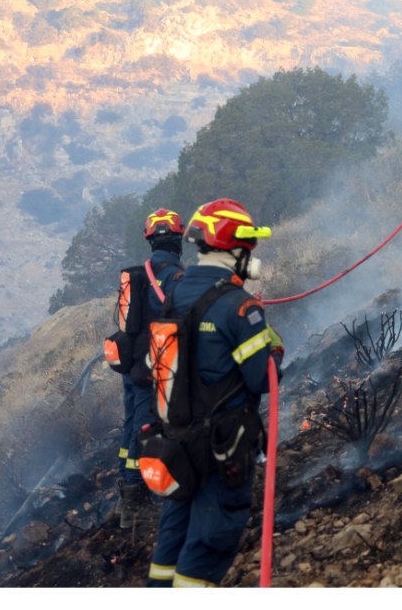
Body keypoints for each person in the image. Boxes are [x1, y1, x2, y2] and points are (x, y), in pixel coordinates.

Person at [146, 198, 284, 588]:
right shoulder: (241, 308)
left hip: (176, 443)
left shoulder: (174, 296)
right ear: (233, 248)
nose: (250, 257)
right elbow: (263, 377)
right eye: (248, 249)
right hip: (224, 449)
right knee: (210, 541)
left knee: (172, 536)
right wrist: (273, 347)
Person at [116, 208, 186, 529]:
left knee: (131, 425)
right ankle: (134, 504)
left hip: (132, 364)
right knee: (144, 431)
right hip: (151, 366)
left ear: (150, 240)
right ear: (177, 239)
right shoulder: (174, 276)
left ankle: (123, 493)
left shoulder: (141, 275)